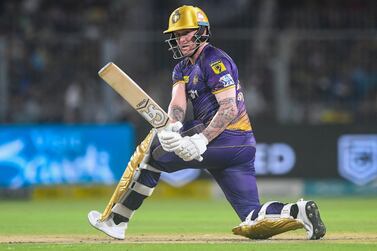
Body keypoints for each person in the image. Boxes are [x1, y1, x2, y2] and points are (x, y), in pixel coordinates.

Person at [88, 5, 326, 240]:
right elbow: (178, 106)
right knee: (252, 219)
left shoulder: (214, 60)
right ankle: (299, 211)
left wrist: (201, 140)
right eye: (177, 34)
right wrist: (173, 127)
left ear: (202, 31)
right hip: (238, 147)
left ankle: (116, 220)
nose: (180, 39)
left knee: (150, 152)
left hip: (227, 137)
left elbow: (229, 107)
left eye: (185, 32)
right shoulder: (181, 68)